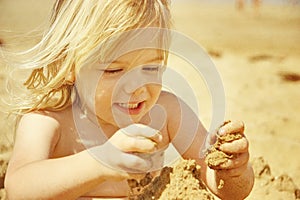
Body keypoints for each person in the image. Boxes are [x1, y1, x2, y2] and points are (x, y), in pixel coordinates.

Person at [3, 0, 254, 199]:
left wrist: (232, 171)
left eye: (150, 68)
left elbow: (227, 190)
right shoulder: (48, 122)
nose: (136, 86)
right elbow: (18, 189)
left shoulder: (167, 113)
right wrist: (99, 161)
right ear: (69, 65)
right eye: (114, 70)